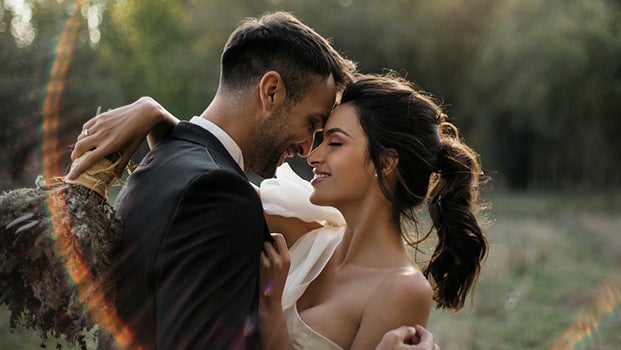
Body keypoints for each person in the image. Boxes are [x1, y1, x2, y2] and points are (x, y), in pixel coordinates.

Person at [73, 73, 483, 349]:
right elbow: (205, 180)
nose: (314, 154)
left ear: (386, 162)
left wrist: (272, 314)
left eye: (335, 143)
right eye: (320, 138)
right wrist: (152, 113)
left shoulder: (402, 291)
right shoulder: (304, 227)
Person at [70, 11, 355, 349]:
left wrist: (155, 113)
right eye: (311, 123)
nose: (307, 148)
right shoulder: (221, 194)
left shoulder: (162, 159)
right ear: (272, 91)